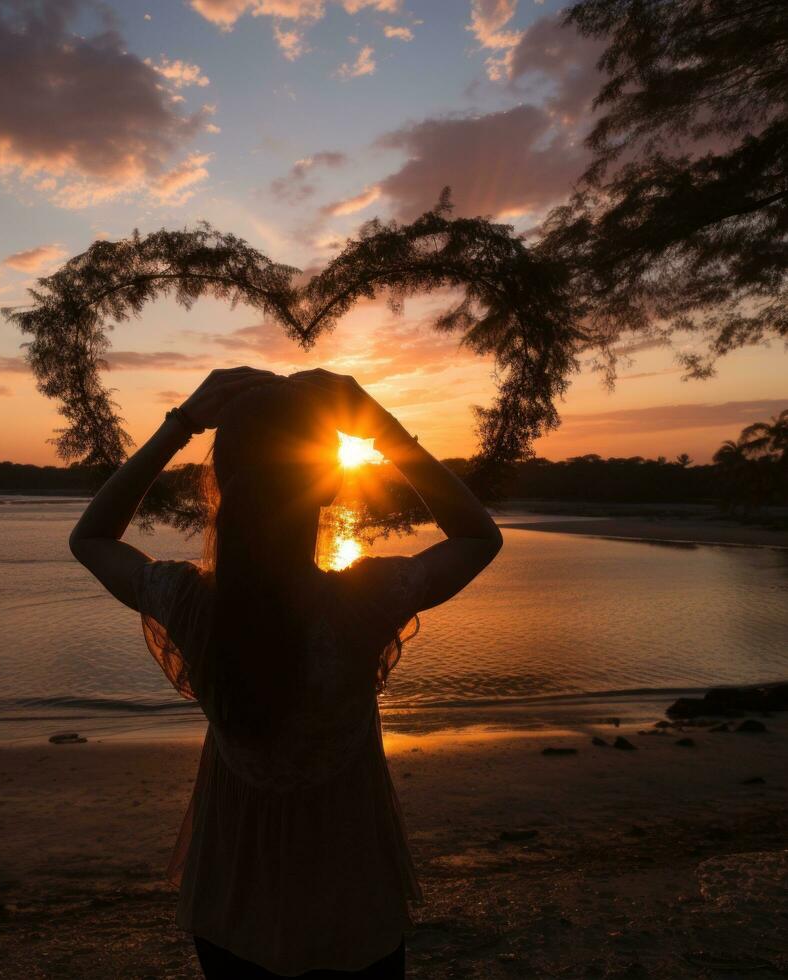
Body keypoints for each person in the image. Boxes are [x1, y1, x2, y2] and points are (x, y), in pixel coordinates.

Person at [69, 366, 503, 978]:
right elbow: (478, 536)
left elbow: (90, 538)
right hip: (350, 893)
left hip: (232, 893)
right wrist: (379, 427)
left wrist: (181, 424)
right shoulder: (362, 602)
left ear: (220, 480)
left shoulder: (192, 603)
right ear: (326, 487)